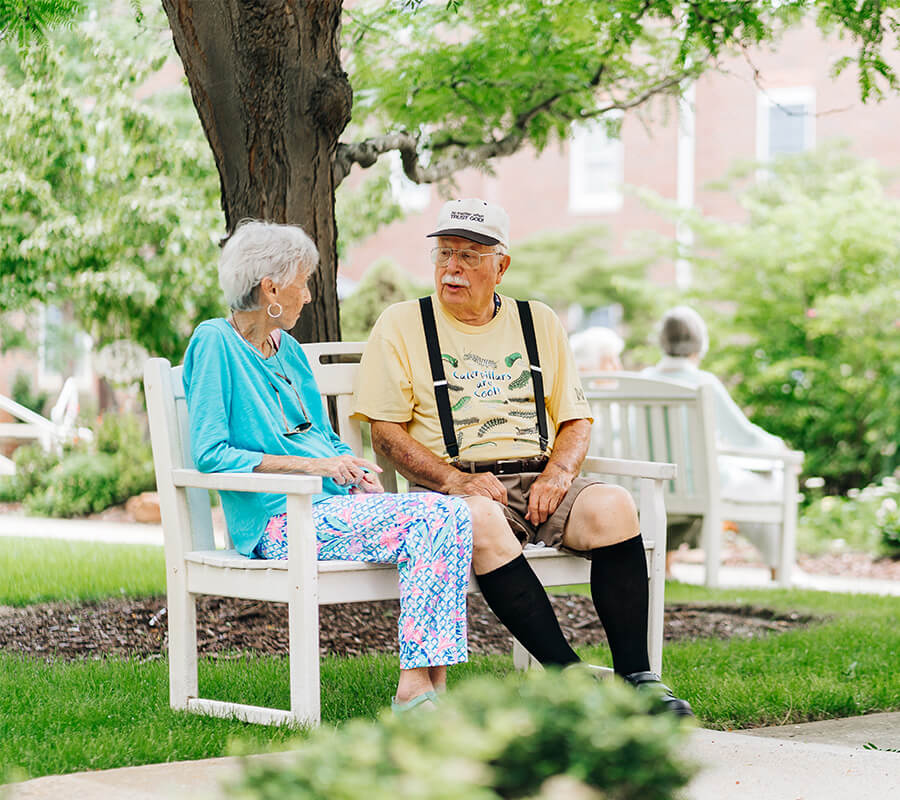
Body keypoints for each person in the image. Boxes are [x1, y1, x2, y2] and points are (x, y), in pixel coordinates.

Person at [352, 198, 692, 716]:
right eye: (444, 254)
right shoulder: (403, 324)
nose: (453, 268)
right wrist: (453, 480)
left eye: (469, 255)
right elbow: (386, 435)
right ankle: (570, 678)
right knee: (482, 517)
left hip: (539, 477)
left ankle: (638, 678)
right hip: (457, 486)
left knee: (615, 506)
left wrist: (558, 474)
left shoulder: (539, 322)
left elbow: (576, 419)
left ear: (501, 265)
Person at [182, 219, 473, 713]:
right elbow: (210, 453)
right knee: (434, 515)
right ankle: (415, 692)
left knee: (447, 511)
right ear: (271, 287)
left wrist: (349, 467)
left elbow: (322, 435)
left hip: (327, 508)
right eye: (304, 281)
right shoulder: (215, 343)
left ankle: (428, 689)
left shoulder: (288, 350)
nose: (310, 295)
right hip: (278, 519)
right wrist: (312, 469)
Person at [642, 306, 788, 579]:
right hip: (701, 484)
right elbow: (744, 437)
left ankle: (667, 565)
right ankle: (779, 567)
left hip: (653, 485)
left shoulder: (641, 381)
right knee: (771, 480)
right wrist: (779, 446)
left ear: (661, 341)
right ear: (700, 345)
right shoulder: (702, 382)